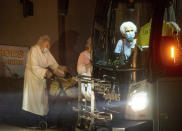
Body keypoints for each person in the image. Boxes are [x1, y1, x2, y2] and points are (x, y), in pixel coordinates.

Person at [22, 35, 66, 128]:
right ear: (41, 43)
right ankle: (31, 122)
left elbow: (53, 64)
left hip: (41, 80)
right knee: (33, 101)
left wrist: (62, 71)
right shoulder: (34, 50)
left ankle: (43, 121)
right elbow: (34, 67)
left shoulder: (45, 51)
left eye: (48, 45)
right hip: (32, 80)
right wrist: (45, 72)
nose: (48, 47)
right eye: (47, 45)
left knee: (42, 101)